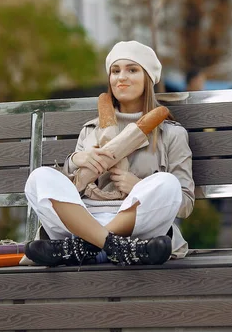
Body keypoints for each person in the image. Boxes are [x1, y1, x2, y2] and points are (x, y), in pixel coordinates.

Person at [24, 40, 195, 267]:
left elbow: (184, 204)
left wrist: (137, 186)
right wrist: (77, 160)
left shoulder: (171, 134)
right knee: (39, 178)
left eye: (131, 70)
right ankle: (115, 248)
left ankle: (85, 247)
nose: (121, 77)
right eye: (115, 71)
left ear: (148, 78)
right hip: (84, 219)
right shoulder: (91, 130)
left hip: (137, 224)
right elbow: (68, 190)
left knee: (167, 183)